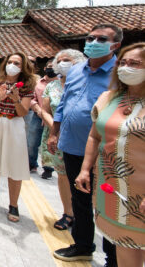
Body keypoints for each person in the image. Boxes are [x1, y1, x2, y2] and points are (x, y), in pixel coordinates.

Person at [48, 24, 122, 263]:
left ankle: (113, 256)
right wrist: (54, 132)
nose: (94, 41)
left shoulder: (121, 73)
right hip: (72, 145)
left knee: (108, 203)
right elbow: (63, 104)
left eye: (102, 38)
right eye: (90, 37)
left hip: (105, 150)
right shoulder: (78, 70)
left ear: (115, 45)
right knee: (79, 199)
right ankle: (82, 244)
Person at [74, 42, 144, 267]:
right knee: (124, 247)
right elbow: (95, 136)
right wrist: (85, 169)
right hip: (113, 187)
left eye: (135, 63)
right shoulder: (110, 98)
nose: (126, 67)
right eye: (123, 63)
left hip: (141, 191)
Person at [0, 52, 36, 222]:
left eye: (16, 63)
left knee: (15, 165)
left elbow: (23, 112)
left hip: (14, 125)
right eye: (10, 61)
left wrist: (16, 98)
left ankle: (13, 204)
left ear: (22, 66)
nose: (12, 65)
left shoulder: (26, 86)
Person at [31, 49, 86, 231]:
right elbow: (45, 110)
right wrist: (56, 130)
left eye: (67, 60)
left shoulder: (85, 83)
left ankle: (85, 215)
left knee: (84, 178)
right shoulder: (52, 86)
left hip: (82, 139)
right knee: (63, 175)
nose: (62, 63)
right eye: (59, 60)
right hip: (57, 137)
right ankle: (68, 213)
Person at [27, 59, 59, 177]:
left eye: (54, 67)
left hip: (53, 118)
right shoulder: (38, 83)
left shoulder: (60, 84)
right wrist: (37, 109)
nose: (52, 69)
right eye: (50, 67)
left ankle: (48, 168)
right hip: (37, 116)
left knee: (48, 142)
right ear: (45, 68)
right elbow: (31, 98)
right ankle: (31, 163)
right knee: (32, 141)